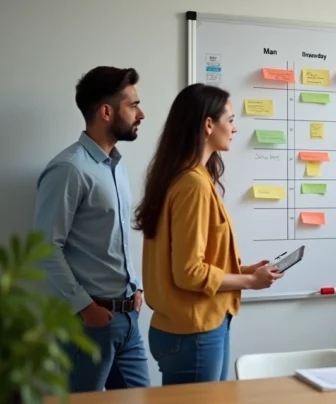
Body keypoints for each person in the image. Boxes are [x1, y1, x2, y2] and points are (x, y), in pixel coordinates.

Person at [133, 83, 283, 385]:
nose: (235, 128)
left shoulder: (180, 176)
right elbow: (189, 272)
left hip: (187, 328)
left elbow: (188, 262)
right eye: (230, 119)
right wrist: (250, 282)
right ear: (208, 125)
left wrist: (242, 271)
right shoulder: (193, 185)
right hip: (194, 332)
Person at [32, 66, 150, 392]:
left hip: (128, 319)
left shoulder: (117, 167)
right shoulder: (69, 169)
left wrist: (136, 287)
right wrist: (85, 307)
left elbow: (116, 239)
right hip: (91, 322)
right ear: (106, 112)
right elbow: (46, 247)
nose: (141, 114)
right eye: (133, 105)